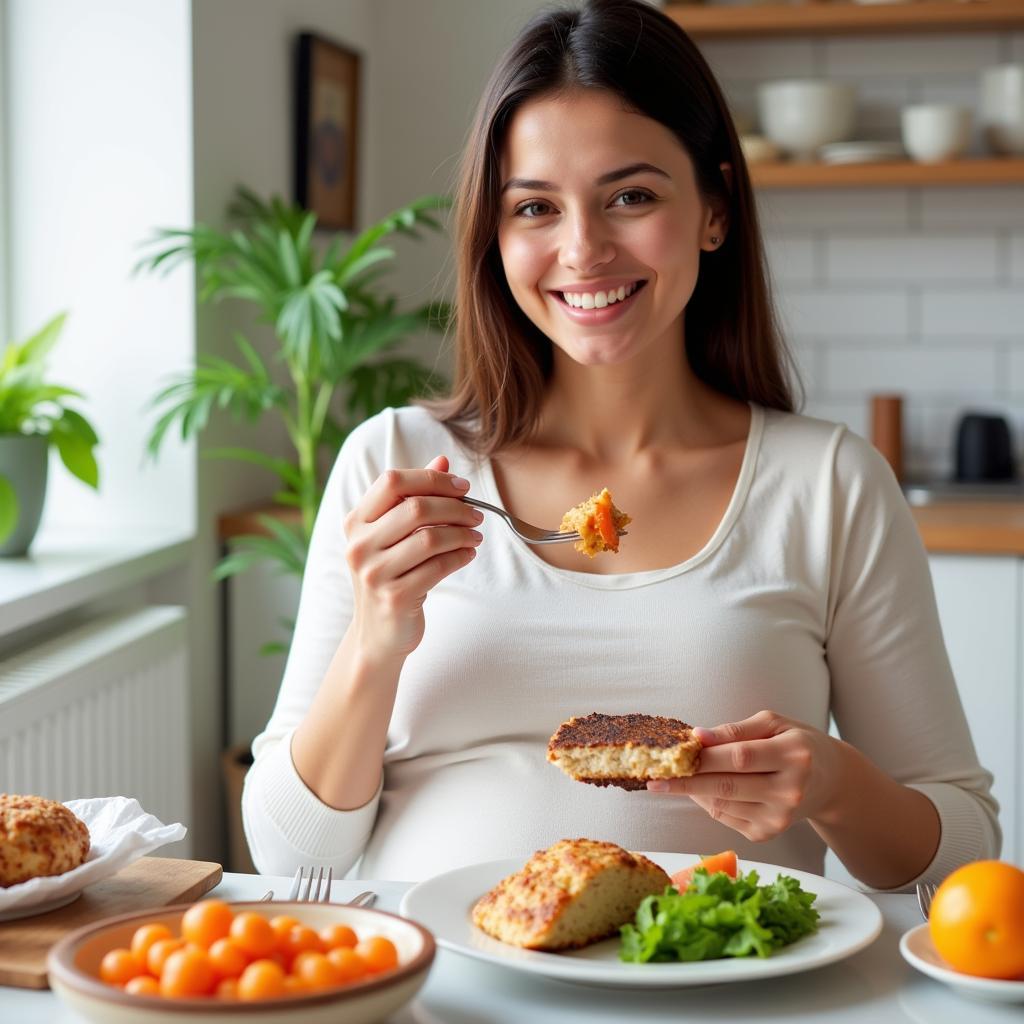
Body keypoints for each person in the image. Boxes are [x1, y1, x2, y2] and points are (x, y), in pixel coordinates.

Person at [242, 0, 999, 888]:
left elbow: (960, 855)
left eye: (630, 196)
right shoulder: (397, 465)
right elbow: (292, 855)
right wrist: (377, 637)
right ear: (496, 233)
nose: (583, 249)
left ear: (714, 209)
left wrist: (830, 781)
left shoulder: (828, 484)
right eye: (534, 207)